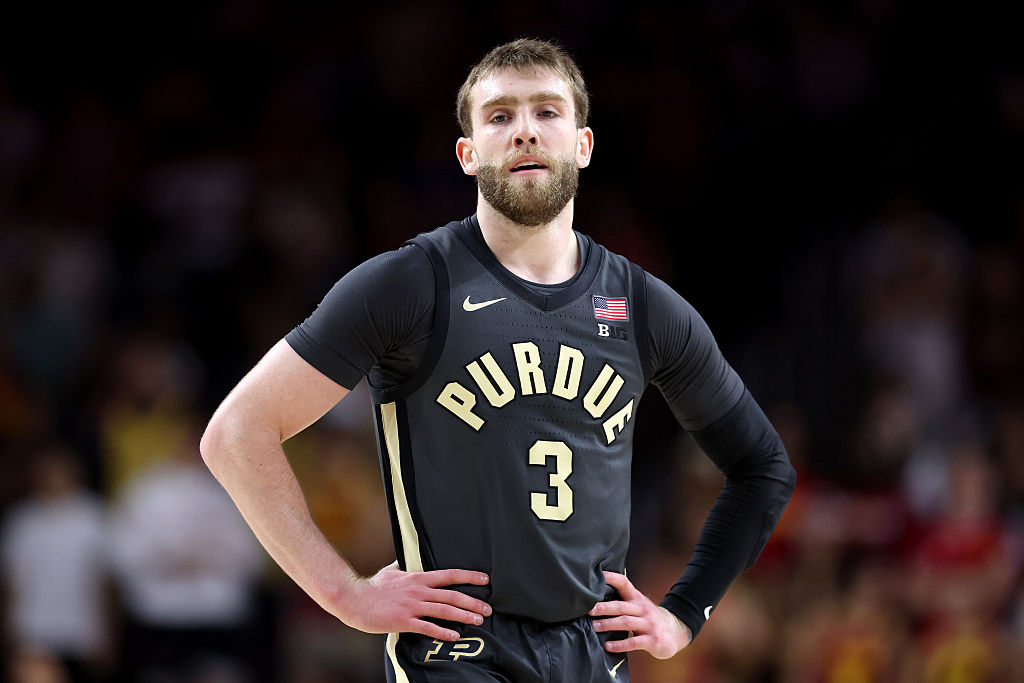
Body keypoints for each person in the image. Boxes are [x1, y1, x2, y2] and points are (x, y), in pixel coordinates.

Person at [201, 38, 797, 682]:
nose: (524, 132)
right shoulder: (410, 284)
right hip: (456, 647)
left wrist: (683, 614)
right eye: (500, 116)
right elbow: (236, 433)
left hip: (591, 653)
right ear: (468, 154)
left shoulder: (644, 306)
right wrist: (346, 595)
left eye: (547, 112)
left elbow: (762, 467)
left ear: (583, 145)